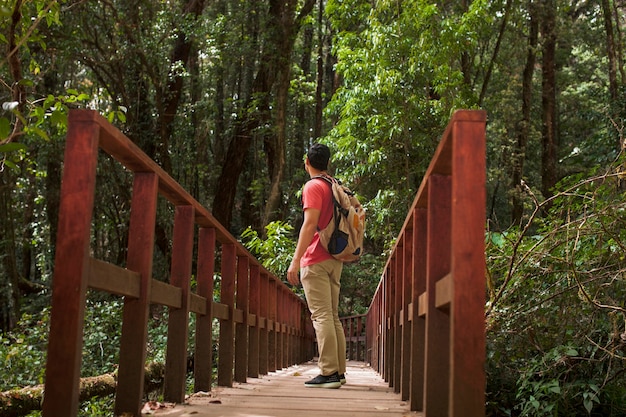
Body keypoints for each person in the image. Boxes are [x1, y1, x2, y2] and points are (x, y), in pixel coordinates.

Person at [287, 143, 347, 389]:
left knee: (321, 316)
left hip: (316, 258)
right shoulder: (335, 185)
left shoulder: (313, 186)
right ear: (327, 163)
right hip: (335, 258)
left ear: (307, 163)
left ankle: (329, 372)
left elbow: (309, 224)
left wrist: (295, 260)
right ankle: (339, 371)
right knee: (332, 316)